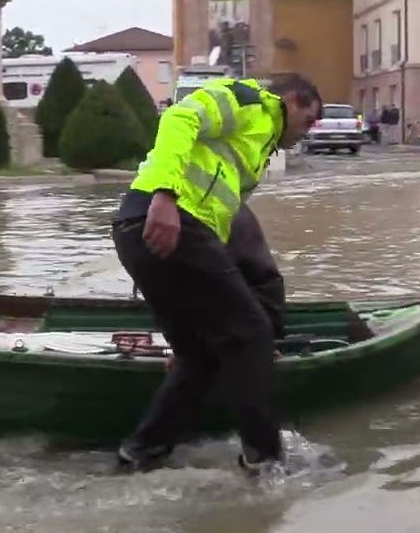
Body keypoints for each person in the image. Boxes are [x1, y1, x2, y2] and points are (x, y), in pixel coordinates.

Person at [111, 72, 322, 472]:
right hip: (167, 220)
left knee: (200, 357)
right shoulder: (249, 102)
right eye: (309, 120)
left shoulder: (258, 146)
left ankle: (140, 452)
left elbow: (220, 223)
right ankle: (265, 460)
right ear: (292, 100)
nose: (306, 133)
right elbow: (178, 118)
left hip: (144, 233)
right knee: (253, 333)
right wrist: (166, 195)